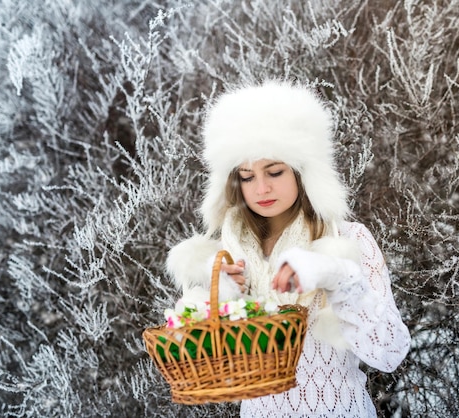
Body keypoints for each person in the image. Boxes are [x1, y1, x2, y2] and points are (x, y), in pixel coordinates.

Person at [166, 80, 411, 417]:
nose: (261, 187)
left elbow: (390, 351)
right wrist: (219, 301)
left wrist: (334, 276)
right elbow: (193, 355)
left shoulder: (348, 242)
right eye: (247, 176)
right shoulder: (227, 254)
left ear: (303, 172)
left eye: (275, 171)